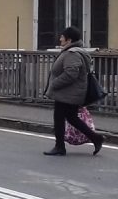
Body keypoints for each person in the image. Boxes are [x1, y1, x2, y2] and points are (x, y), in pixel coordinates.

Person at [42, 25, 105, 156]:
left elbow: (71, 73)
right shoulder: (72, 51)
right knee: (71, 118)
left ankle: (60, 146)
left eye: (62, 37)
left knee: (59, 118)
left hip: (68, 93)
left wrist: (55, 84)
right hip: (69, 92)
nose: (60, 39)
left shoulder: (72, 53)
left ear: (69, 40)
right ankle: (95, 138)